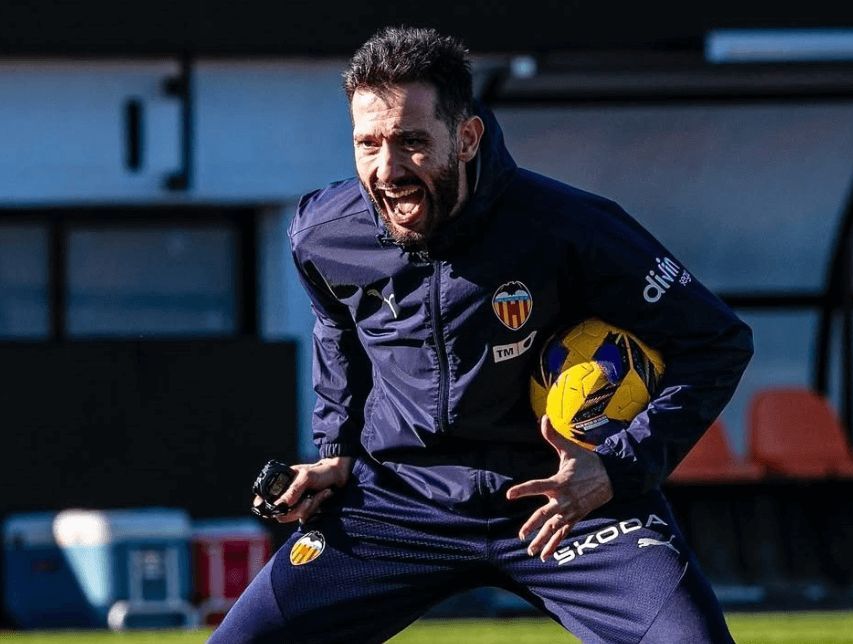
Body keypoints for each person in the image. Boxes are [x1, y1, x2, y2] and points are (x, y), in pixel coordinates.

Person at [210, 26, 753, 644]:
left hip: (566, 497)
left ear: (466, 138)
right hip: (398, 501)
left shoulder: (571, 227)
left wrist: (615, 469)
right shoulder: (323, 234)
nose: (387, 170)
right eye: (368, 144)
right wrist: (336, 450)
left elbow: (717, 343)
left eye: (412, 142)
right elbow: (337, 330)